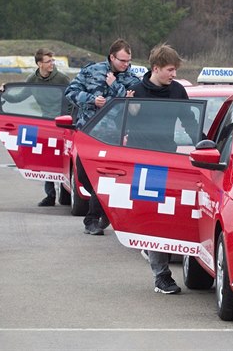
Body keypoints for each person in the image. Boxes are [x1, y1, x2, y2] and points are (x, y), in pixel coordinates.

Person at [128, 43, 194, 294]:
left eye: (175, 70)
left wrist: (206, 145)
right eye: (170, 69)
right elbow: (120, 122)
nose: (174, 74)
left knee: (169, 217)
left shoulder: (178, 92)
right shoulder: (135, 92)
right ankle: (162, 276)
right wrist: (128, 107)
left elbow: (190, 123)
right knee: (155, 219)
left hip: (169, 159)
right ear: (156, 68)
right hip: (143, 163)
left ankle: (158, 257)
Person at [65, 38, 140, 235]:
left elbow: (132, 106)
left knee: (104, 178)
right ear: (112, 56)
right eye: (122, 60)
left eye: (128, 60)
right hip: (88, 133)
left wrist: (115, 86)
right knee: (84, 176)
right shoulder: (92, 71)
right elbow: (70, 92)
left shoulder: (131, 79)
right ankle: (105, 207)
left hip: (114, 136)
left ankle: (92, 220)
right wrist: (91, 100)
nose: (126, 64)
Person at [0, 48, 70, 207]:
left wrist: (69, 119)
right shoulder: (32, 79)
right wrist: (5, 93)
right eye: (48, 61)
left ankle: (66, 193)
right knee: (46, 157)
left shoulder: (62, 79)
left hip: (63, 122)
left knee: (63, 157)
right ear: (39, 64)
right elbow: (19, 97)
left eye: (53, 61)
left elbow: (74, 98)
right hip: (45, 122)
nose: (52, 64)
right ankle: (50, 195)